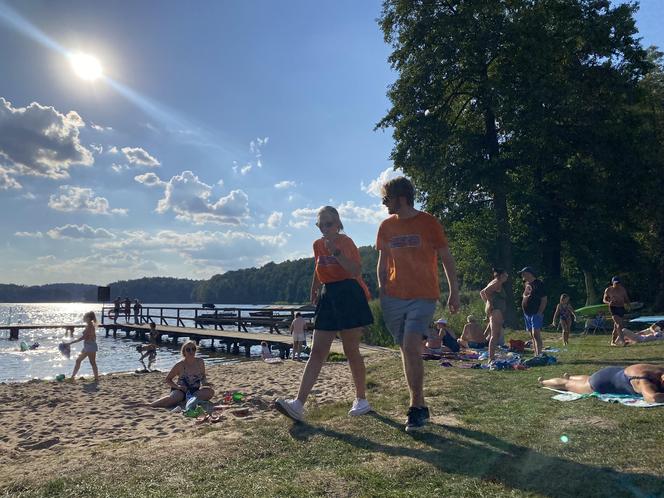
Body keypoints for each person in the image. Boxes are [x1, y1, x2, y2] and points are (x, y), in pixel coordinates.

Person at [275, 206, 374, 422]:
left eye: (329, 224)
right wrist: (314, 288)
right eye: (321, 225)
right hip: (328, 295)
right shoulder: (317, 245)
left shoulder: (346, 243)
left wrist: (336, 252)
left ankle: (361, 399)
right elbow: (317, 268)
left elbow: (355, 270)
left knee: (351, 350)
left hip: (349, 293)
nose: (325, 229)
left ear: (338, 224)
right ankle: (298, 404)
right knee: (317, 351)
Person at [376, 177, 460, 432]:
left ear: (400, 198)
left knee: (412, 345)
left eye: (386, 199)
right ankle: (421, 404)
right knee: (406, 348)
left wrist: (454, 292)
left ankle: (415, 407)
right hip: (394, 298)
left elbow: (446, 258)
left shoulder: (428, 222)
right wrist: (382, 291)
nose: (384, 204)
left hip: (424, 295)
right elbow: (382, 262)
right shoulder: (385, 227)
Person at [539, 364, 664, 403]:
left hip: (613, 372)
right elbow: (652, 397)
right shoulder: (644, 380)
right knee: (566, 385)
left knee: (587, 379)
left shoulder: (659, 370)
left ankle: (571, 376)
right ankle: (544, 381)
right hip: (601, 383)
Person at [150, 341, 214, 409]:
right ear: (184, 352)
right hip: (181, 391)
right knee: (171, 400)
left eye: (193, 349)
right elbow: (168, 379)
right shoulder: (179, 365)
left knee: (210, 392)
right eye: (188, 349)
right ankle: (150, 405)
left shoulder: (200, 362)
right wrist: (177, 387)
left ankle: (189, 400)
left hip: (195, 391)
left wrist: (205, 383)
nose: (191, 351)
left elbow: (203, 375)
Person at [480, 268, 509, 361]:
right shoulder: (497, 282)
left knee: (495, 335)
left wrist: (487, 304)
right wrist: (490, 304)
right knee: (494, 335)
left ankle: (491, 356)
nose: (507, 277)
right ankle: (491, 358)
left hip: (495, 310)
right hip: (496, 310)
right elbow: (485, 292)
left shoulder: (494, 282)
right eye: (505, 275)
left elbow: (482, 292)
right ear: (500, 276)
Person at [520, 266, 547, 357]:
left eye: (523, 273)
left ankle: (539, 354)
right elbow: (525, 294)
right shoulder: (526, 284)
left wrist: (540, 312)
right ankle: (536, 353)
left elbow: (544, 299)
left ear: (529, 273)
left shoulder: (539, 284)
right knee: (532, 335)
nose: (522, 275)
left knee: (536, 334)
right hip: (527, 313)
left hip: (536, 312)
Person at [68, 311, 100, 383]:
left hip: (90, 346)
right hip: (87, 346)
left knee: (92, 363)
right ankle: (72, 377)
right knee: (78, 360)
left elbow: (83, 337)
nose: (83, 318)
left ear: (88, 318)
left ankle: (96, 378)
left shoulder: (90, 326)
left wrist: (71, 342)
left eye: (85, 317)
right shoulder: (89, 325)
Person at [603, 276, 631, 346]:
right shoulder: (608, 290)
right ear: (613, 283)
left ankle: (613, 341)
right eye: (616, 283)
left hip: (621, 308)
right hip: (613, 308)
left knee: (616, 327)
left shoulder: (622, 289)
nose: (617, 285)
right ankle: (623, 341)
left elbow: (626, 298)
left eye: (618, 283)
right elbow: (604, 300)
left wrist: (629, 305)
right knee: (619, 324)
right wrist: (608, 302)